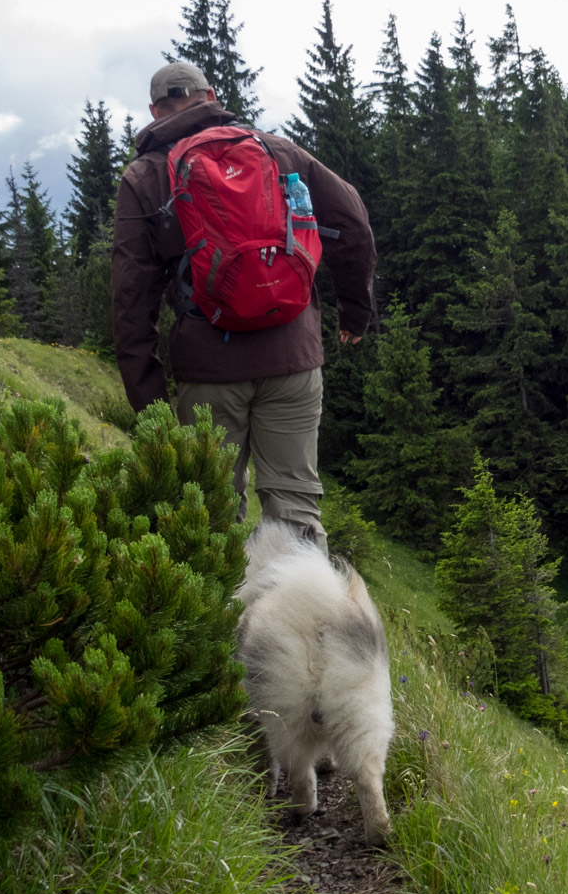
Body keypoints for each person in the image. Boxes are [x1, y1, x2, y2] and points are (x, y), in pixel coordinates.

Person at [112, 60, 376, 541]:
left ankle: (225, 615)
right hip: (293, 358)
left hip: (207, 370)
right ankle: (301, 614)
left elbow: (132, 294)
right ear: (211, 95)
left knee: (212, 516)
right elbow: (353, 221)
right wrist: (356, 309)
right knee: (295, 507)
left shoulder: (144, 177)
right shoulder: (275, 150)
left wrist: (148, 398)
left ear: (154, 111)